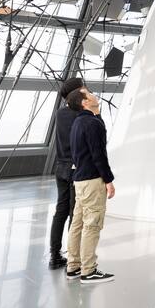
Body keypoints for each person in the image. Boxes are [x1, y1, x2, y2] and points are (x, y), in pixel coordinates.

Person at [65, 87, 115, 284]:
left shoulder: (79, 122)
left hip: (80, 180)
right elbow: (99, 154)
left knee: (77, 224)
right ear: (85, 102)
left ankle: (73, 266)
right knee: (92, 224)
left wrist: (98, 113)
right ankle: (88, 270)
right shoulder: (92, 123)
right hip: (92, 180)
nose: (93, 94)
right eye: (88, 93)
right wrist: (108, 180)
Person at [48, 77, 85, 270]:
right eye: (83, 88)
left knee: (60, 211)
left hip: (60, 167)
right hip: (76, 169)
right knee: (74, 214)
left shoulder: (60, 113)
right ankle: (73, 257)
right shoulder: (81, 115)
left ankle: (55, 255)